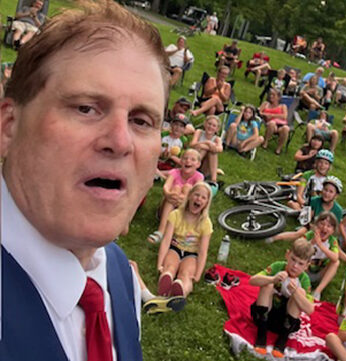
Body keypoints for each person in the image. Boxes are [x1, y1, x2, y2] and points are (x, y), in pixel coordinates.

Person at [0, 1, 168, 359]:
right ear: (9, 125)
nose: (120, 142)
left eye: (141, 120)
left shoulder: (119, 275)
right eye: (86, 108)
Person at [249, 238, 315, 358]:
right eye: (293, 260)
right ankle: (261, 335)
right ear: (287, 254)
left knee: (300, 292)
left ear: (307, 266)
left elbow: (310, 309)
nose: (295, 266)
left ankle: (281, 341)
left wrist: (295, 293)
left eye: (300, 263)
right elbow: (252, 280)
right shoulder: (278, 266)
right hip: (265, 316)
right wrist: (272, 279)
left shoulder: (304, 279)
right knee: (267, 284)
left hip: (285, 322)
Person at [156, 182, 213, 299]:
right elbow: (166, 240)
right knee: (170, 267)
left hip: (191, 255)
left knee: (186, 274)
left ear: (206, 203)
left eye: (203, 198)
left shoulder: (206, 223)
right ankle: (165, 284)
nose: (199, 199)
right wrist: (159, 264)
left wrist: (197, 275)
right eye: (196, 195)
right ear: (190, 196)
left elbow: (203, 251)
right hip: (175, 249)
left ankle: (181, 290)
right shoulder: (175, 215)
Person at [148, 149, 204, 244]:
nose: (188, 161)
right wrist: (169, 195)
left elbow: (198, 192)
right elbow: (166, 186)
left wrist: (185, 199)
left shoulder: (199, 177)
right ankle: (161, 230)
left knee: (188, 188)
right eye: (185, 158)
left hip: (184, 209)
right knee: (176, 189)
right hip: (167, 208)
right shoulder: (174, 172)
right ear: (181, 161)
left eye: (192, 159)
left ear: (198, 164)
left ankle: (180, 230)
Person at [267, 176, 343, 243]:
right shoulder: (314, 201)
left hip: (325, 233)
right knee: (299, 233)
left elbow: (335, 228)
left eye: (331, 192)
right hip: (311, 226)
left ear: (336, 195)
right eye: (325, 190)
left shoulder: (338, 210)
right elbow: (308, 218)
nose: (327, 193)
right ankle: (274, 238)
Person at [303, 212, 340, 301]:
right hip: (305, 271)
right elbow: (298, 249)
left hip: (320, 273)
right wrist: (312, 242)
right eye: (322, 224)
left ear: (332, 230)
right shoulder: (309, 235)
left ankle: (317, 291)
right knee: (300, 256)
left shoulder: (332, 241)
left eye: (329, 226)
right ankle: (302, 284)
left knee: (336, 263)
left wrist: (320, 245)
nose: (324, 228)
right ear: (316, 225)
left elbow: (335, 257)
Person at [189, 115, 223, 182]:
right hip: (194, 160)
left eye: (214, 126)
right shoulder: (199, 132)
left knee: (213, 152)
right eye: (209, 124)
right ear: (205, 123)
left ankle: (213, 180)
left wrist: (203, 145)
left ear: (217, 129)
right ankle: (190, 170)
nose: (210, 127)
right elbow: (192, 144)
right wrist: (207, 143)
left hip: (205, 167)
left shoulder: (217, 139)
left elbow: (220, 149)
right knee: (205, 150)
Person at [260, 88, 289, 155]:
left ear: (278, 97)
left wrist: (272, 115)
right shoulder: (265, 104)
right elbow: (259, 112)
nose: (271, 96)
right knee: (272, 124)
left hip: (281, 125)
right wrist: (266, 115)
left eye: (273, 95)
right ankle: (265, 143)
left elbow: (284, 116)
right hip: (270, 124)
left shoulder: (283, 106)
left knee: (286, 129)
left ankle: (279, 148)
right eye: (270, 94)